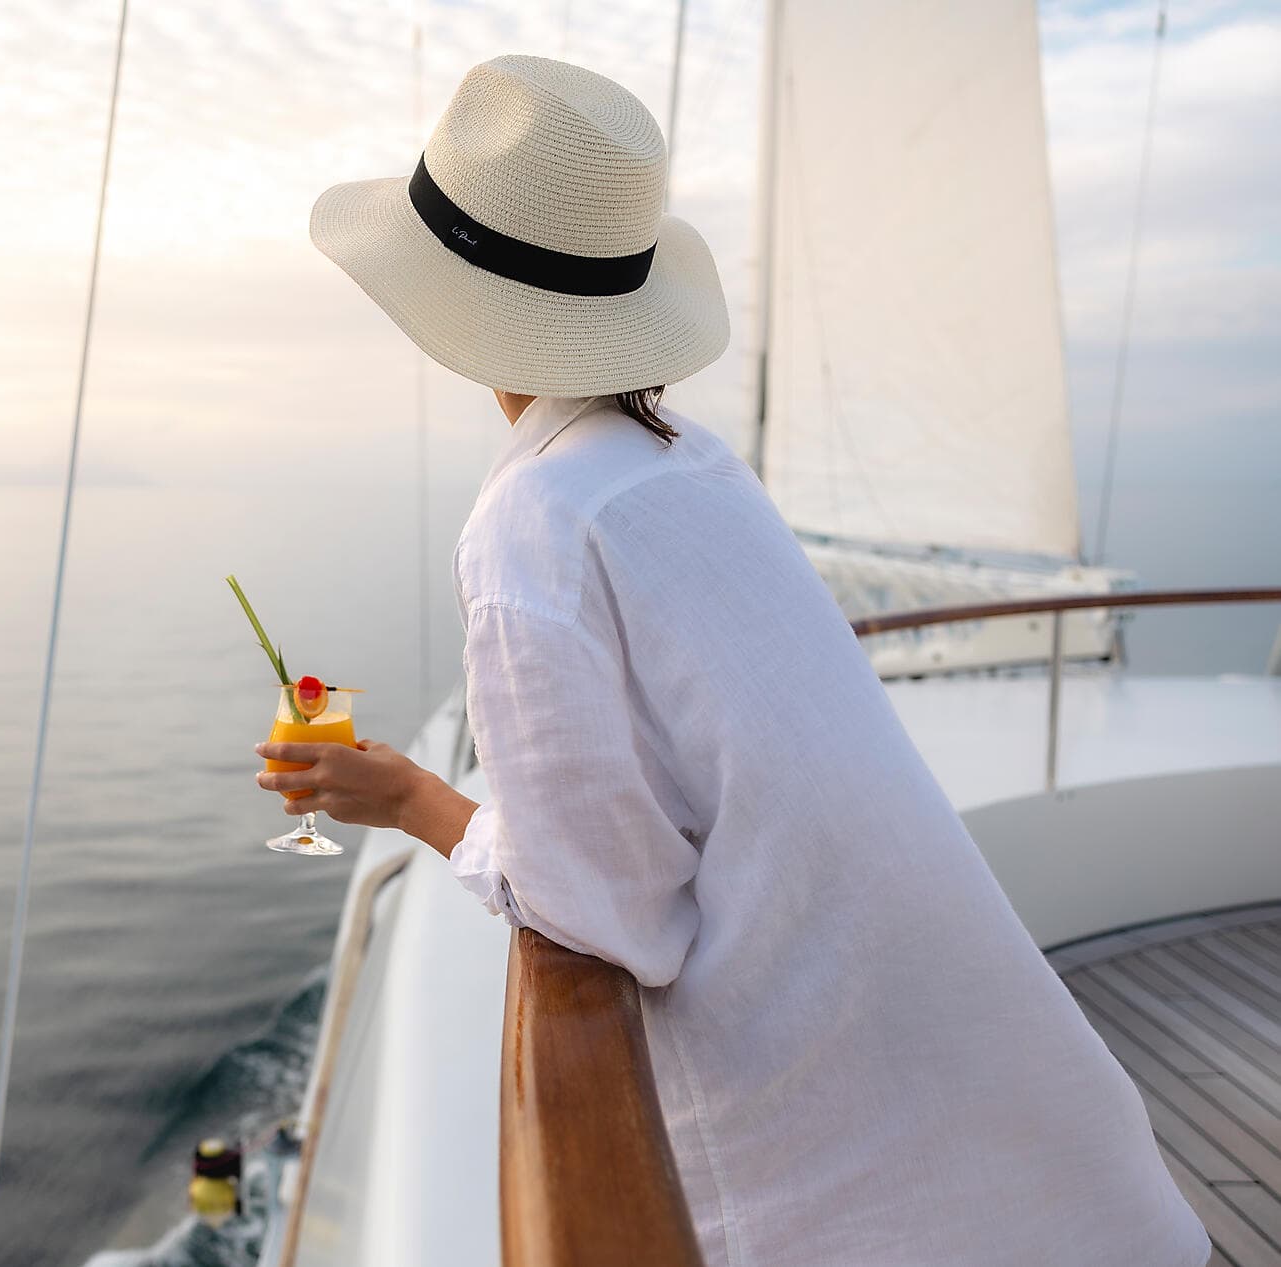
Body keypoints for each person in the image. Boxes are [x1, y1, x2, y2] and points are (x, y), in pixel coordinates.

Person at [253, 53, 1210, 1267]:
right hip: (1043, 1155)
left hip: (844, 1159)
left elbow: (606, 912)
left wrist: (412, 800)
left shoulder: (533, 524)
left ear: (453, 309)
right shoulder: (688, 463)